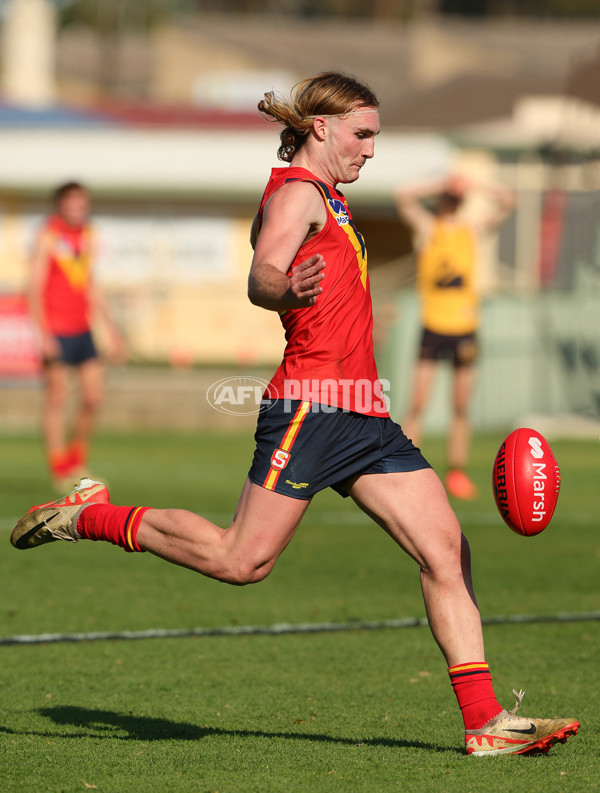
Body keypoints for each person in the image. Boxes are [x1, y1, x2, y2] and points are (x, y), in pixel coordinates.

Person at [11, 73, 578, 756]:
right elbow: (260, 276)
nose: (370, 150)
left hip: (366, 415)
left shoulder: (331, 200)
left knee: (447, 549)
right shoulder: (299, 195)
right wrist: (286, 285)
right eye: (362, 134)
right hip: (309, 407)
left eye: (375, 137)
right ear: (321, 129)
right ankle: (90, 515)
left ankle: (485, 721)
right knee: (240, 560)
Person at [395, 176, 515, 500]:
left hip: (464, 326)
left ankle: (457, 471)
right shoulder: (428, 228)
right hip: (433, 325)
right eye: (450, 197)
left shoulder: (470, 229)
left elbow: (507, 200)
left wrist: (472, 184)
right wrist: (441, 183)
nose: (453, 201)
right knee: (417, 403)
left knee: (461, 405)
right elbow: (404, 195)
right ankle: (402, 469)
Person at [27, 181, 125, 488]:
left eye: (82, 204)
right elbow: (33, 287)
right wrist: (43, 334)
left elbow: (91, 286)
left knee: (93, 397)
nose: (77, 210)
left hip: (83, 328)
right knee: (57, 398)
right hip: (56, 329)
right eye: (71, 204)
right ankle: (59, 467)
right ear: (60, 205)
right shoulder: (48, 236)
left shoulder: (86, 236)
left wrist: (112, 329)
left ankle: (76, 460)